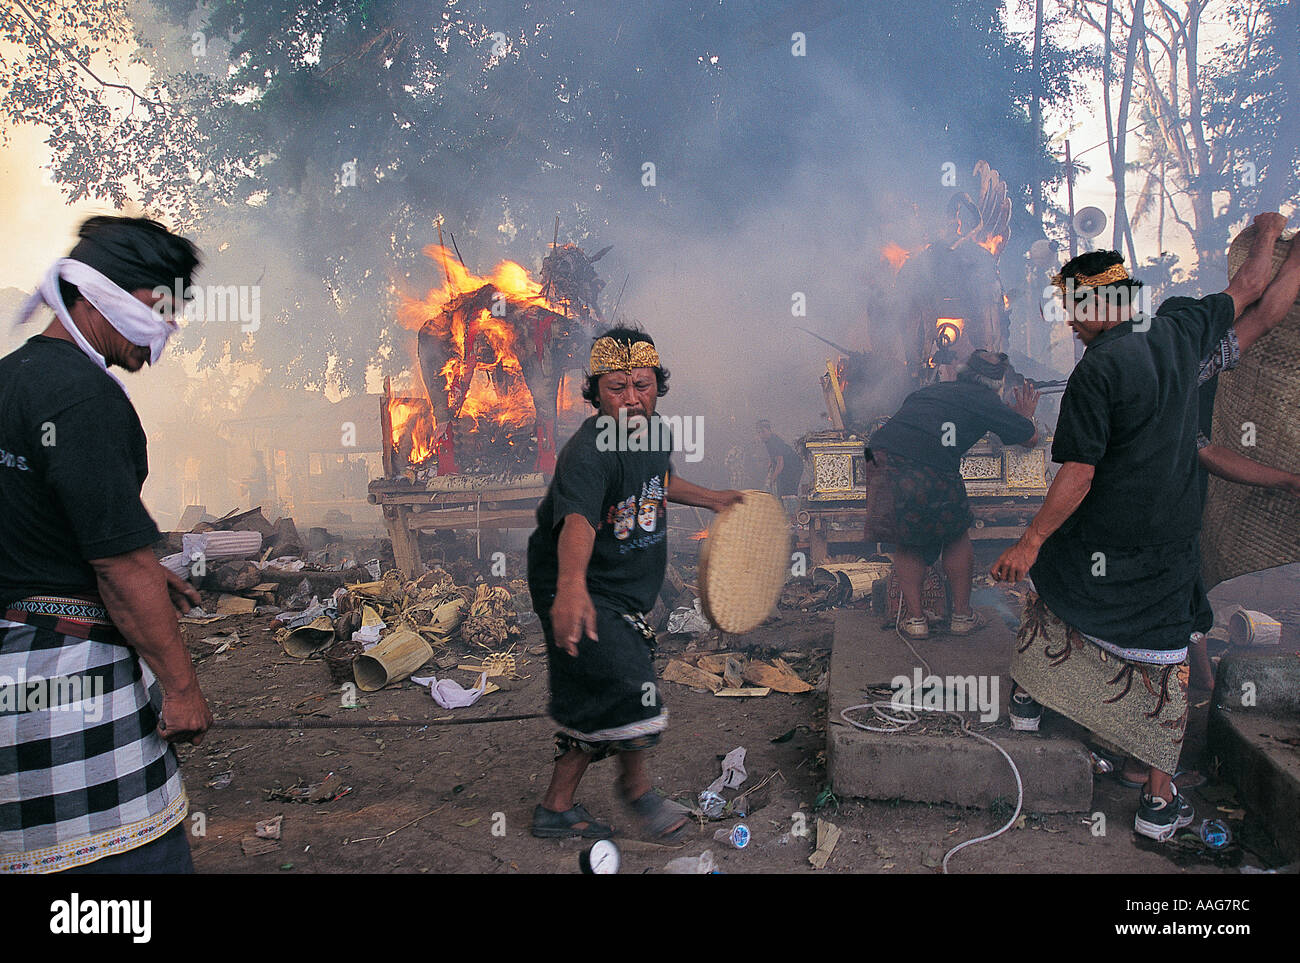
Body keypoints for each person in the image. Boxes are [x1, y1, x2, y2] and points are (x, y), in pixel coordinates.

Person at [991, 215, 1289, 842]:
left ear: (1103, 304)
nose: (1069, 321)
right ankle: (1158, 802)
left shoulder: (1096, 373)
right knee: (1162, 658)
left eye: (1075, 308)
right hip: (1168, 540)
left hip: (1103, 534)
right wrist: (1272, 231)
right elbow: (1256, 296)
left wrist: (1031, 539)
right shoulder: (1180, 329)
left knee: (1057, 591)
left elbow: (1078, 474)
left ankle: (1031, 705)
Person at [0, 216, 212, 874]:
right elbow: (120, 567)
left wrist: (141, 570)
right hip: (71, 684)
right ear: (99, 299)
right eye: (157, 310)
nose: (164, 333)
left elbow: (38, 522)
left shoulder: (13, 376)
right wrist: (180, 688)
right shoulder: (84, 398)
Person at [526, 326, 743, 840]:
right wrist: (573, 589)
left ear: (657, 386)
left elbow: (659, 481)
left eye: (641, 385)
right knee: (632, 683)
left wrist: (712, 497)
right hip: (576, 584)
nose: (631, 399)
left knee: (596, 693)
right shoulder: (589, 452)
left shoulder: (655, 432)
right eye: (616, 388)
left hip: (620, 590)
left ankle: (555, 809)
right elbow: (577, 519)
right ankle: (638, 792)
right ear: (596, 393)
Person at [866, 350, 1040, 638]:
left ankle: (916, 620)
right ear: (998, 384)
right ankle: (961, 616)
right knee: (955, 534)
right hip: (931, 464)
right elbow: (1030, 439)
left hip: (881, 458)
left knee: (906, 538)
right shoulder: (987, 400)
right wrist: (1024, 416)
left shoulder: (931, 391)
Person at [756, 420, 804, 502]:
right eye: (759, 432)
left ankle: (790, 511)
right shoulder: (768, 441)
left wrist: (772, 479)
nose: (761, 435)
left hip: (792, 467)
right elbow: (773, 458)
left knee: (787, 492)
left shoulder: (774, 442)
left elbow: (780, 464)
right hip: (786, 467)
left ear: (769, 430)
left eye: (763, 432)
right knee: (781, 490)